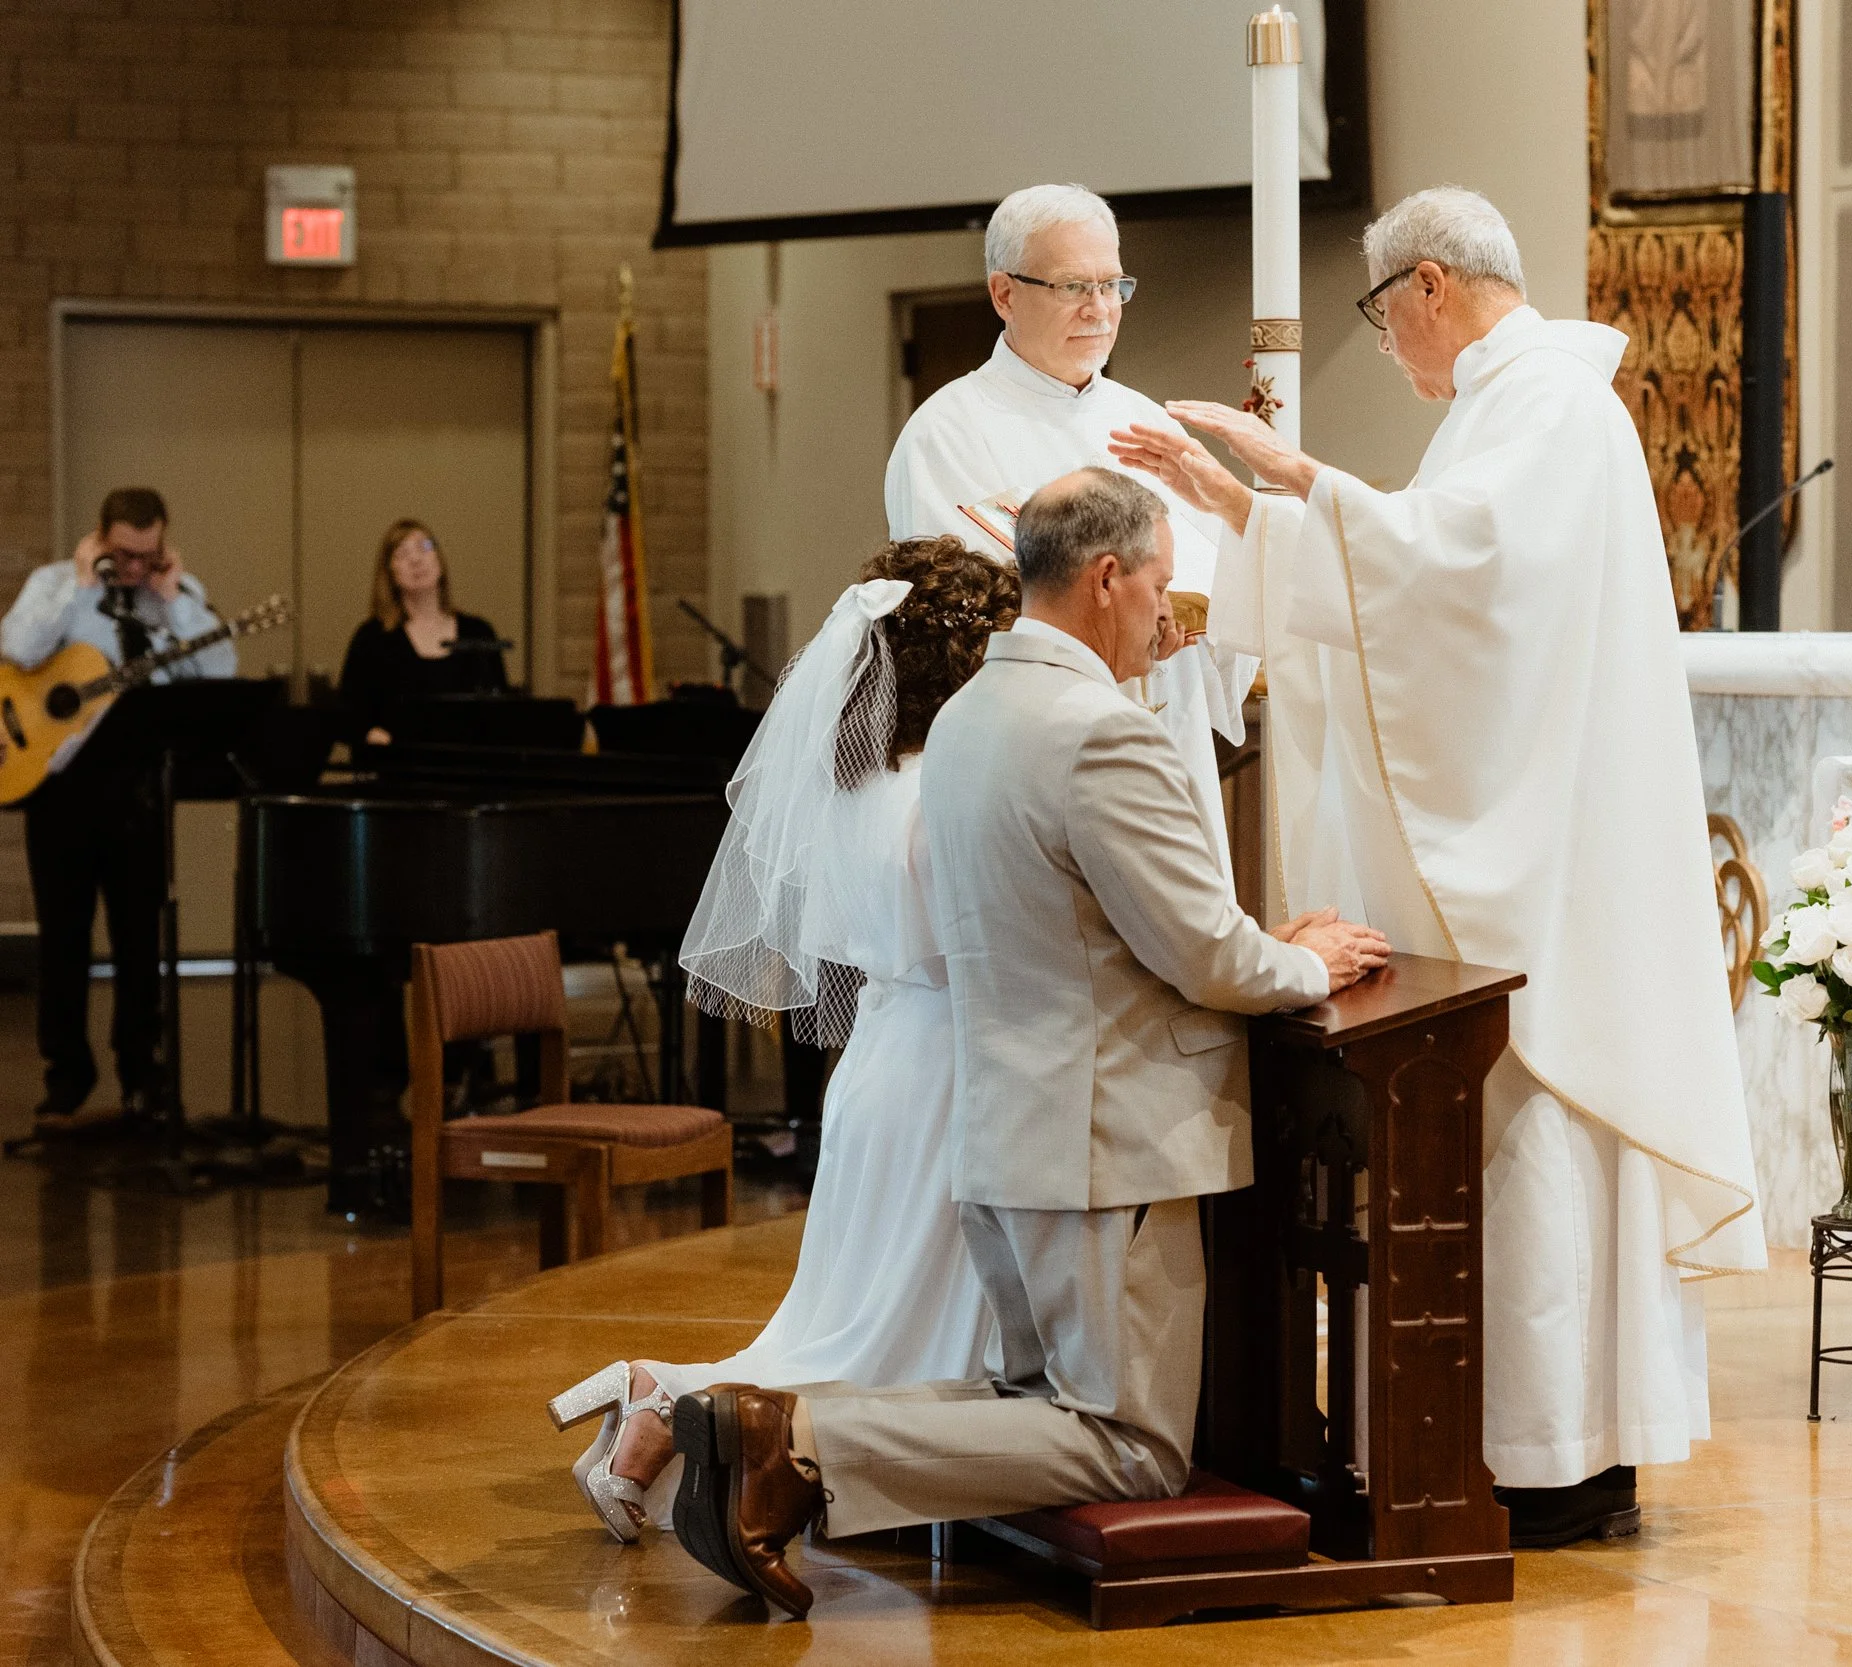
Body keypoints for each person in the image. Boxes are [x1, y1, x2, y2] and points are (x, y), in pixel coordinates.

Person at [1108, 186, 1766, 1547]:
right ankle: (1508, 1442)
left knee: (1538, 1139)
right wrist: (1253, 507)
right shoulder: (1510, 403)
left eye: (1383, 314)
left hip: (1548, 873)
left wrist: (1291, 486)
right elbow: (1420, 592)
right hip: (1526, 847)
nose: (1391, 349)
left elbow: (1461, 579)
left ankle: (1556, 1454)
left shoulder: (1549, 404)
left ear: (1425, 285)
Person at [664, 469, 1389, 1618]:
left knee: (1032, 1392)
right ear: (1107, 577)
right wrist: (1308, 960)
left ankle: (778, 1432)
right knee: (1130, 1444)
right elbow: (1202, 951)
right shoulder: (1097, 731)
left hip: (1005, 1126)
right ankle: (789, 1436)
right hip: (1110, 1145)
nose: (1170, 612)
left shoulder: (966, 720)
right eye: (1161, 584)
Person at [544, 534, 1023, 1544]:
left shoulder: (855, 785)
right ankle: (676, 1407)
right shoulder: (945, 789)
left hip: (881, 1061)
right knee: (883, 1333)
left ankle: (660, 1398)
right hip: (945, 1064)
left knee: (849, 1314)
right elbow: (977, 939)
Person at [885, 183, 1257, 881]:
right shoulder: (946, 433)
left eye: (1113, 284)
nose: (1100, 308)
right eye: (1073, 286)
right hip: (1038, 766)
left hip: (1162, 737)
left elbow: (1218, 569)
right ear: (1004, 293)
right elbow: (967, 614)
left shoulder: (1144, 421)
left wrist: (1210, 624)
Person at [1, 487, 236, 1133]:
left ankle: (144, 1074)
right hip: (62, 792)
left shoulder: (175, 597)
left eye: (148, 553)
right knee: (64, 940)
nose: (135, 567)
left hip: (139, 794)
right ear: (100, 538)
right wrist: (79, 587)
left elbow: (221, 668)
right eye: (124, 554)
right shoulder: (54, 584)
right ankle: (66, 1080)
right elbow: (18, 649)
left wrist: (171, 603)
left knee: (141, 942)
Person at [335, 519, 508, 747]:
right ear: (390, 573)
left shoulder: (478, 632)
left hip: (469, 773)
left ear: (439, 559)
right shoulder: (373, 638)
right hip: (399, 771)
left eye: (424, 547)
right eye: (402, 554)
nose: (416, 560)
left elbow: (501, 713)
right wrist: (372, 735)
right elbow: (346, 716)